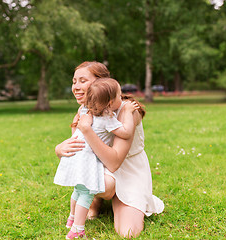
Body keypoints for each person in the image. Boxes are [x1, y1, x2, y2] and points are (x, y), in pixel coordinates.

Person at [55, 61, 164, 238]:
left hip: (126, 168)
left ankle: (109, 197)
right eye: (74, 81)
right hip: (99, 165)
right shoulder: (85, 109)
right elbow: (80, 148)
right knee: (87, 171)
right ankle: (95, 200)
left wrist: (87, 130)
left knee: (128, 232)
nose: (76, 87)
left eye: (82, 81)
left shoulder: (126, 109)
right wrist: (59, 149)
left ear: (101, 83)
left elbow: (114, 162)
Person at [54, 78, 139, 239]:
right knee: (86, 193)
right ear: (109, 103)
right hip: (87, 160)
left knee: (78, 190)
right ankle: (77, 229)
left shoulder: (84, 111)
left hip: (76, 156)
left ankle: (71, 219)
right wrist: (127, 112)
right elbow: (126, 133)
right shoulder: (107, 118)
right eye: (120, 97)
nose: (122, 100)